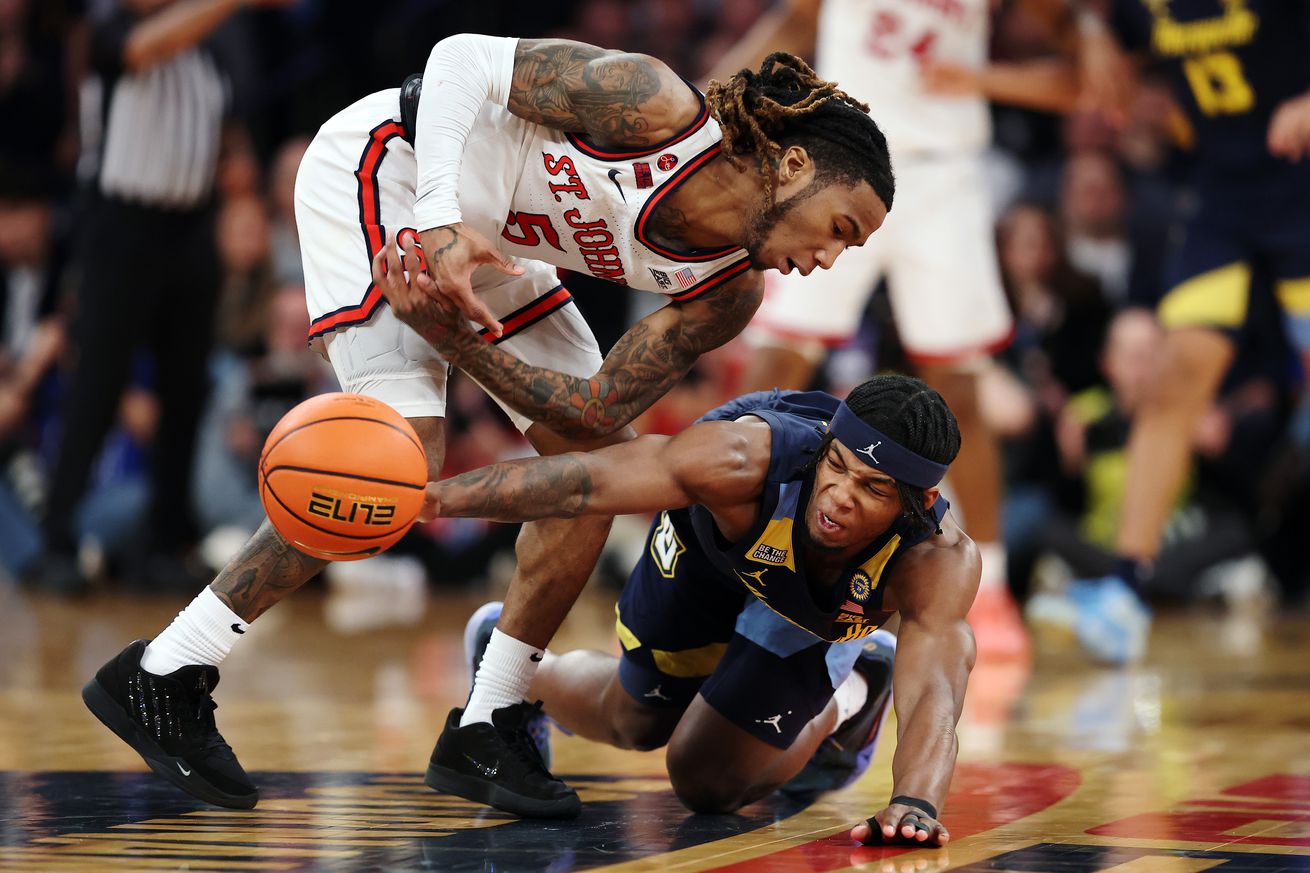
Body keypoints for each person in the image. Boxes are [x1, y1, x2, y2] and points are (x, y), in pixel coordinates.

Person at [82, 34, 896, 815]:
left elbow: (594, 408)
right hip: (391, 171)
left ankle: (487, 719)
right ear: (793, 164)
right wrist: (438, 219)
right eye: (840, 229)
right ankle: (167, 666)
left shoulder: (731, 291)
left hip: (493, 245)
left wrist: (453, 338)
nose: (829, 259)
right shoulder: (654, 109)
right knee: (396, 454)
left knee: (594, 468)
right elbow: (458, 60)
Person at [419, 373, 976, 842]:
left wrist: (916, 805)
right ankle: (512, 657)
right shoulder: (742, 459)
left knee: (705, 784)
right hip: (710, 551)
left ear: (919, 501)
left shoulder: (936, 560)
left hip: (815, 612)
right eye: (836, 466)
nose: (839, 496)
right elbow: (585, 484)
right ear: (824, 445)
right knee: (635, 722)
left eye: (874, 488)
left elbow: (935, 693)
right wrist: (439, 499)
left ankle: (854, 692)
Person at [702, 0, 1083, 660]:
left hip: (943, 175)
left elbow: (1072, 49)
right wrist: (706, 105)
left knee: (961, 386)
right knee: (775, 367)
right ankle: (722, 552)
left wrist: (988, 78)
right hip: (840, 162)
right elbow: (792, 23)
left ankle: (986, 587)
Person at [1035, 0, 1310, 664]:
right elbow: (1096, 70)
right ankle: (1126, 592)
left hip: (1302, 182)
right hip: (1223, 195)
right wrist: (1096, 34)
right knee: (1172, 379)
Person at [35, 0, 278, 595]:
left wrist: (239, 180)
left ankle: (165, 543)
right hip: (121, 224)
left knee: (185, 391)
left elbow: (228, 130)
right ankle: (57, 540)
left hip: (193, 226)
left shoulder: (212, 47)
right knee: (99, 383)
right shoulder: (109, 27)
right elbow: (143, 50)